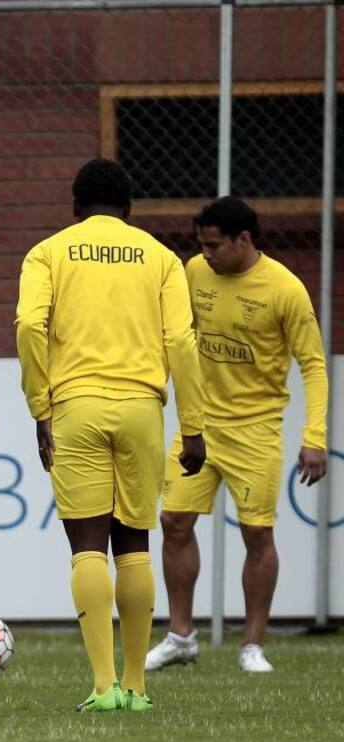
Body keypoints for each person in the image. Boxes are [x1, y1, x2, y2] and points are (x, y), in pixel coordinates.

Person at [14, 158, 207, 712]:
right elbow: (183, 344)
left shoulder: (48, 252)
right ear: (128, 209)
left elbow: (29, 326)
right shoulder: (162, 258)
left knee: (87, 547)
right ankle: (138, 689)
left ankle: (103, 688)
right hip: (144, 409)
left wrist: (40, 407)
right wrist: (192, 426)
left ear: (75, 208)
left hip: (76, 406)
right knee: (135, 546)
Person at [146, 197, 328, 674]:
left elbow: (313, 364)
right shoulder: (193, 272)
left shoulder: (285, 288)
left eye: (213, 245)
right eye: (200, 245)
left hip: (256, 430)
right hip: (199, 427)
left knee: (257, 533)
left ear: (243, 240)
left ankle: (252, 645)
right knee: (175, 522)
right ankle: (181, 636)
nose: (205, 254)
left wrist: (315, 435)